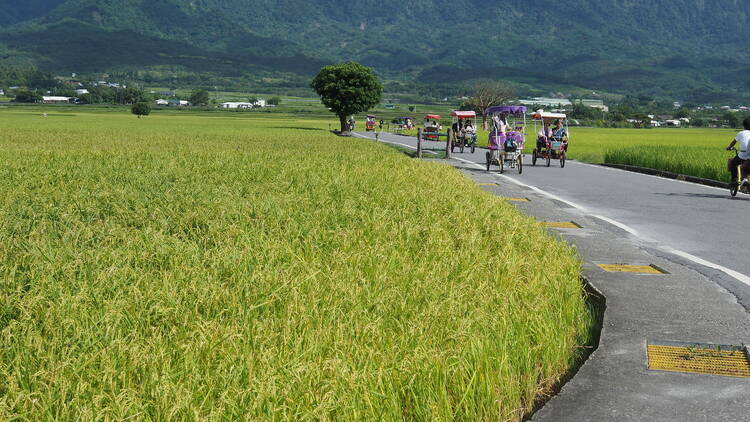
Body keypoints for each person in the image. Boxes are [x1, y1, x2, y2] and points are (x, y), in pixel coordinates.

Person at [726, 116, 750, 187]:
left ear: (744, 125)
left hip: (743, 155)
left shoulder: (741, 133)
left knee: (732, 162)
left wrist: (729, 147)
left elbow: (733, 142)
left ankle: (734, 180)